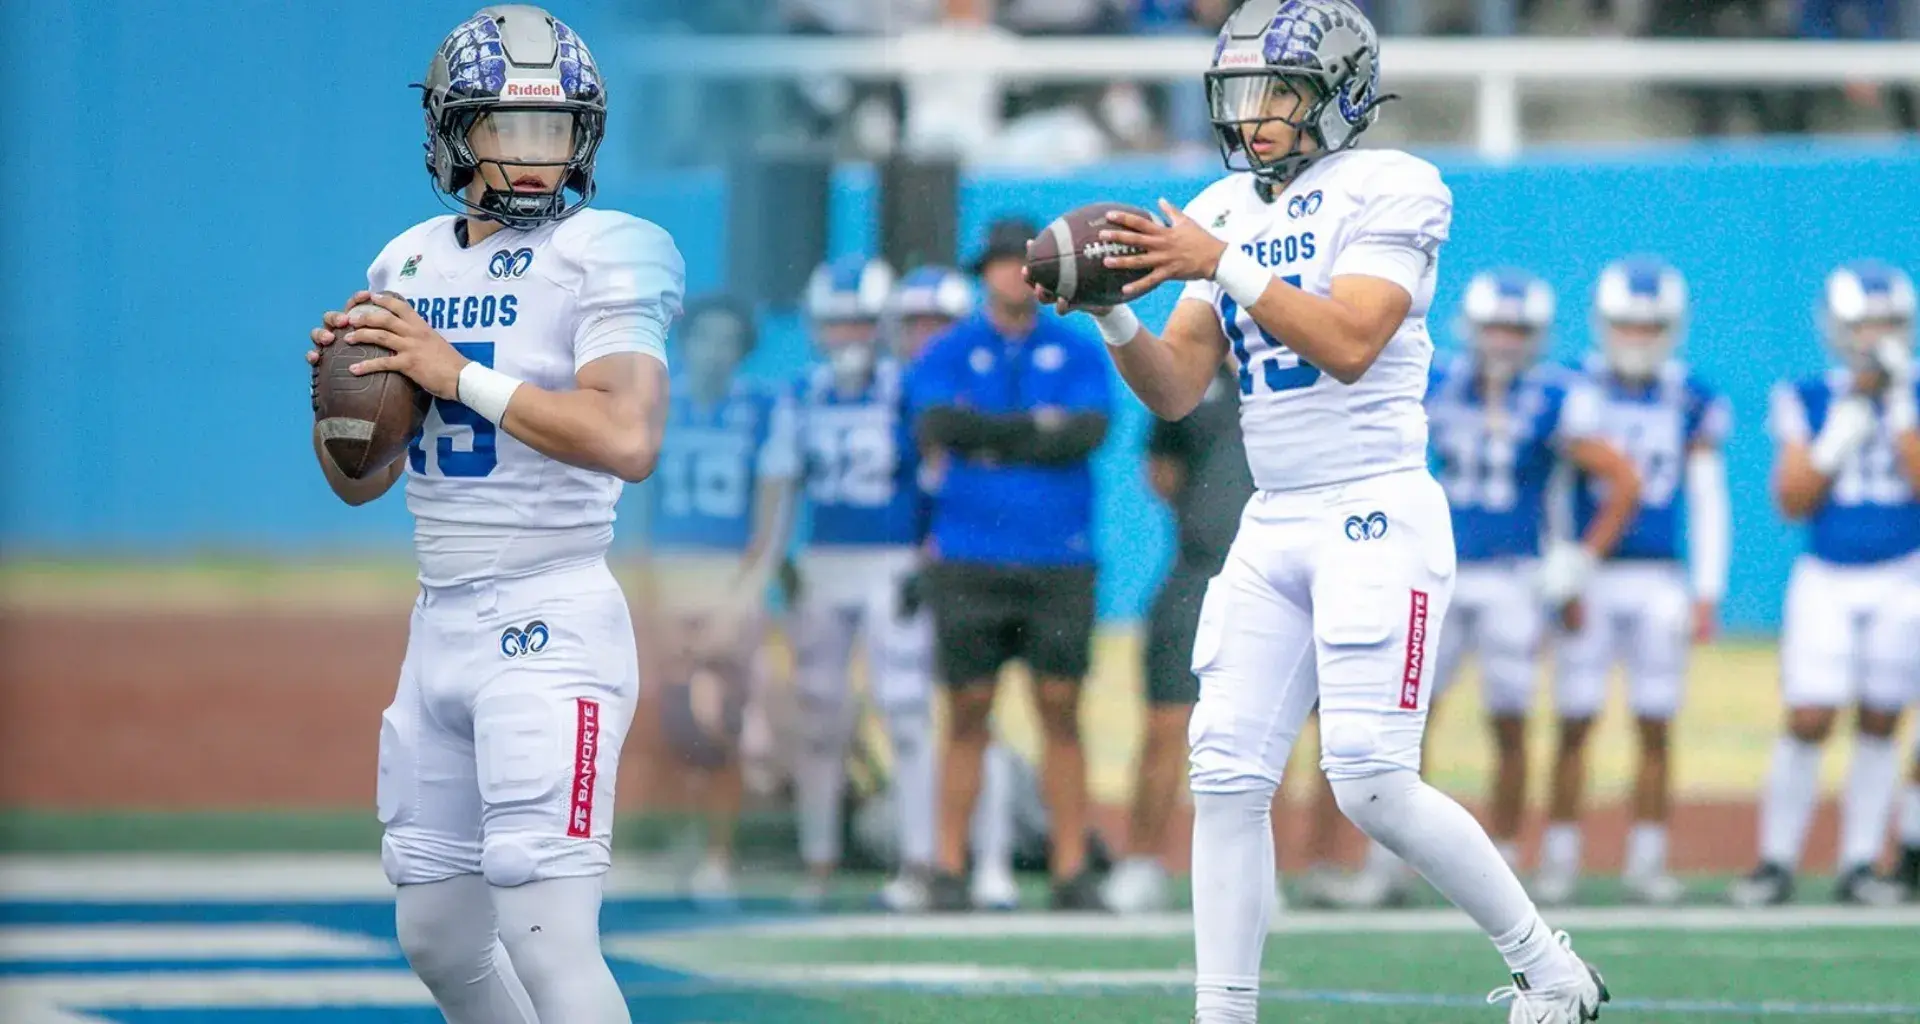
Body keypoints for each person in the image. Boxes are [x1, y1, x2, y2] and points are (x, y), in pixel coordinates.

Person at [1034, 1, 1610, 1020]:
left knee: (1373, 782)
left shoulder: (1392, 185)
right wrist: (1113, 310)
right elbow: (1174, 389)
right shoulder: (1220, 207)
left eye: (1279, 94)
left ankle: (1550, 965)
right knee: (1224, 770)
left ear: (1338, 96)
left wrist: (1226, 264)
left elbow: (1350, 342)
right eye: (1242, 95)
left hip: (1375, 511)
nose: (1254, 117)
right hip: (1277, 515)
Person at [304, 8, 680, 1022]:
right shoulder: (408, 263)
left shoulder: (612, 249)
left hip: (552, 620)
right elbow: (360, 484)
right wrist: (343, 414)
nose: (531, 159)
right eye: (506, 129)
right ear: (452, 131)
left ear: (586, 138)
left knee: (549, 940)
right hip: (439, 623)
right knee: (436, 935)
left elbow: (629, 441)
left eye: (553, 132)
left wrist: (455, 373)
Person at [1334, 268, 1642, 911]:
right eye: (1496, 327)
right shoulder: (1435, 381)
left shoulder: (1559, 394)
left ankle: (1498, 860)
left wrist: (1581, 560)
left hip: (1515, 578)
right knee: (1407, 722)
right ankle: (1388, 864)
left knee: (1509, 722)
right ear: (1473, 329)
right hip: (1436, 570)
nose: (1504, 341)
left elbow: (1620, 477)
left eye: (1518, 330)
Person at [910, 217, 1114, 912]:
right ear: (984, 273)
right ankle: (946, 863)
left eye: (1024, 263)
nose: (1012, 274)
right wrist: (1035, 433)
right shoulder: (950, 348)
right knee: (966, 709)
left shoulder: (1077, 348)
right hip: (969, 554)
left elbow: (1089, 432)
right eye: (1000, 263)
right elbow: (939, 425)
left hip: (1057, 558)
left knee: (1061, 708)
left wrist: (990, 439)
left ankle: (1069, 865)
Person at [1534, 257, 1731, 907]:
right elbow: (1555, 487)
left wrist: (1706, 589)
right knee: (1574, 719)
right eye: (1628, 324)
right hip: (1592, 574)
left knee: (1655, 721)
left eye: (1652, 326)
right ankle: (1560, 857)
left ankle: (1647, 859)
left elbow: (1706, 496)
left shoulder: (1690, 394)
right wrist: (1562, 568)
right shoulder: (1571, 388)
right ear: (1603, 322)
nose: (1638, 337)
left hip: (1658, 575)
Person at [750, 254, 942, 913]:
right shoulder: (799, 394)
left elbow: (936, 477)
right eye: (837, 326)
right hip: (825, 559)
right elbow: (778, 482)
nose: (848, 339)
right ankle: (818, 860)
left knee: (907, 710)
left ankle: (921, 859)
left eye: (860, 324)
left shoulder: (908, 389)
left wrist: (927, 557)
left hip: (892, 560)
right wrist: (776, 559)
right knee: (819, 716)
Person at [1734, 260, 1920, 909]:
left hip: (1905, 571)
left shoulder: (1916, 391)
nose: (1876, 334)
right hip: (1828, 574)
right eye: (1864, 322)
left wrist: (1897, 411)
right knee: (1810, 712)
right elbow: (1793, 499)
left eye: (1888, 322)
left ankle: (1860, 862)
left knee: (1880, 718)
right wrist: (1843, 431)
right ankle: (1776, 859)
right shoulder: (1807, 393)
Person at [1102, 360, 1261, 915]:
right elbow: (1162, 474)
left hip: (1279, 577)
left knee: (1273, 734)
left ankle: (1265, 872)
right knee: (1167, 722)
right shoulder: (1191, 377)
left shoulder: (1299, 368)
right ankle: (1143, 859)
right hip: (1198, 571)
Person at [641, 293, 781, 908]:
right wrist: (646, 592)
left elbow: (770, 519)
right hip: (667, 571)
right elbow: (634, 508)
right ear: (685, 341)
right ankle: (679, 838)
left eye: (728, 340)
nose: (714, 351)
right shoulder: (654, 405)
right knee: (671, 719)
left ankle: (720, 853)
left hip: (728, 573)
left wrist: (742, 599)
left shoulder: (762, 409)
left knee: (721, 719)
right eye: (704, 337)